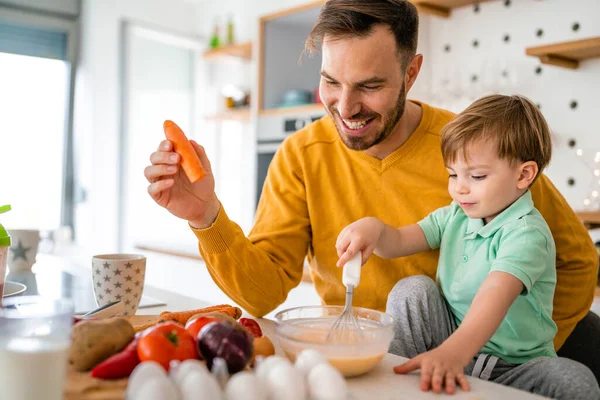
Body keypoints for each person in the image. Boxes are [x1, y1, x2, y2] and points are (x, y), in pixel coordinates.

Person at [144, 0, 600, 380]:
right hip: (368, 370)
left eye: (370, 85)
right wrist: (205, 216)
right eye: (330, 81)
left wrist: (513, 355)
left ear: (412, 72)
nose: (345, 107)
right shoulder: (301, 156)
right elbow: (263, 296)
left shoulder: (476, 156)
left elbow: (578, 261)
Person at [335, 94, 600, 398]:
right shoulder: (457, 215)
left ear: (523, 175)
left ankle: (442, 369)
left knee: (575, 381)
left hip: (514, 367)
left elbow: (495, 295)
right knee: (413, 289)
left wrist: (454, 353)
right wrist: (374, 229)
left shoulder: (527, 234)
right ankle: (399, 384)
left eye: (476, 176)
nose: (459, 187)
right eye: (452, 174)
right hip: (451, 344)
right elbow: (399, 241)